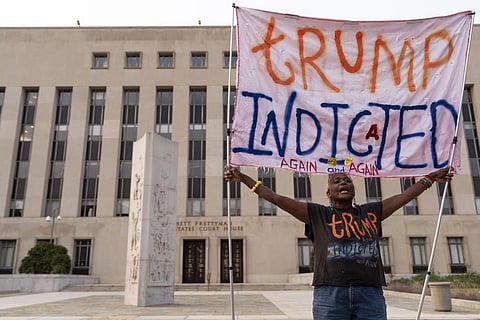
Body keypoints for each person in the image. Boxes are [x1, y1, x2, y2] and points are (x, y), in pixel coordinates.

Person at [224, 165, 453, 320]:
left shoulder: (372, 212)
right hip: (330, 296)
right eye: (336, 181)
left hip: (370, 295)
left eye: (347, 180)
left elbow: (406, 196)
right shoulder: (317, 214)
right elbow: (275, 198)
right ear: (328, 192)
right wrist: (242, 177)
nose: (343, 182)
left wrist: (431, 177)